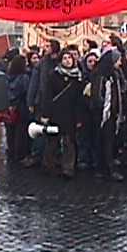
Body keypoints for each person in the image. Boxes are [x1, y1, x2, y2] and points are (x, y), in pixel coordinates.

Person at [42, 50, 83, 179]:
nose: (67, 60)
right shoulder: (54, 75)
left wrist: (79, 117)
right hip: (56, 112)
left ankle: (68, 168)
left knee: (69, 142)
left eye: (69, 58)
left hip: (71, 114)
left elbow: (79, 99)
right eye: (64, 58)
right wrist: (46, 113)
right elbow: (48, 95)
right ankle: (49, 165)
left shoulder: (78, 77)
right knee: (52, 141)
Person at [90, 49, 125, 182]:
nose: (120, 63)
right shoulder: (101, 76)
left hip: (112, 113)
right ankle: (107, 169)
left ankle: (103, 168)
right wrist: (105, 110)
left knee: (107, 141)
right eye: (118, 60)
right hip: (104, 114)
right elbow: (98, 96)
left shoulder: (113, 74)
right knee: (105, 142)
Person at [6, 55, 31, 163]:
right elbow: (26, 91)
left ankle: (11, 152)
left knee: (10, 131)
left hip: (10, 107)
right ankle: (20, 154)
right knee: (21, 132)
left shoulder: (7, 77)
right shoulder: (24, 77)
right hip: (21, 107)